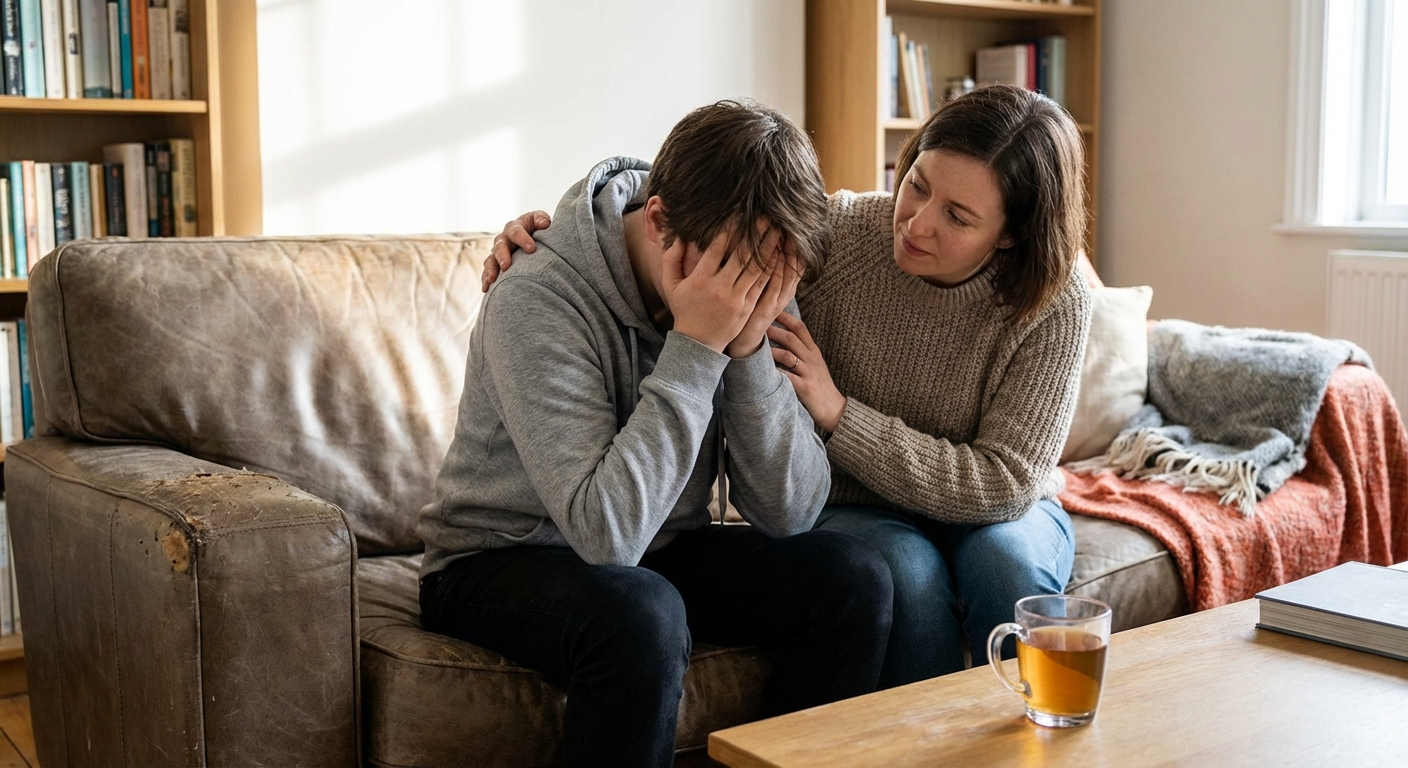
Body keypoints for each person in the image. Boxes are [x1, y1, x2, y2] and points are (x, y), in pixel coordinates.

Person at [486, 85, 1092, 689]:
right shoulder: (830, 237)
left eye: (958, 217)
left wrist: (837, 413)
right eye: (916, 184)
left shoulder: (1053, 300)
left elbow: (1004, 483)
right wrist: (559, 234)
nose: (917, 222)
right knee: (902, 572)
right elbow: (708, 195)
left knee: (1004, 567)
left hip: (993, 503)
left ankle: (1040, 730)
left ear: (1011, 233)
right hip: (855, 508)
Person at [418, 100, 894, 767]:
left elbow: (791, 513)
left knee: (854, 578)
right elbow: (606, 535)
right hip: (496, 559)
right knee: (642, 614)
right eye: (736, 275)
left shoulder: (756, 258)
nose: (751, 296)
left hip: (659, 545)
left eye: (770, 280)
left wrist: (747, 351)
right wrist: (697, 346)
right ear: (659, 222)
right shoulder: (537, 295)